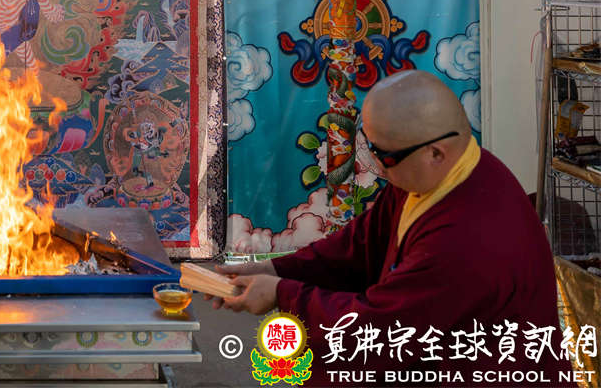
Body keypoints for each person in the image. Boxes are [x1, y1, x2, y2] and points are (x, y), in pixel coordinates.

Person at [211, 70, 571, 386]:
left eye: (385, 157)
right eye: (372, 149)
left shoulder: (469, 236)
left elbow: (380, 330)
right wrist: (276, 269)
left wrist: (283, 294)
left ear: (436, 152)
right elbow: (359, 244)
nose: (378, 168)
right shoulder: (437, 175)